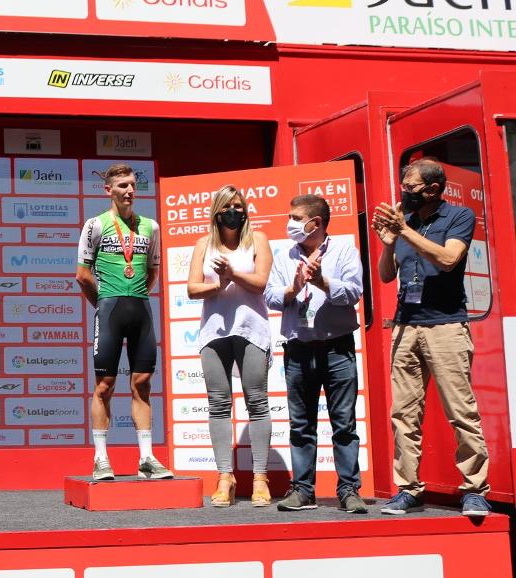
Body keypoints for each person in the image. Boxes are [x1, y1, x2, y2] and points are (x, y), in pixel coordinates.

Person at [373, 158, 490, 517]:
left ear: (433, 189)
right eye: (403, 186)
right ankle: (409, 489)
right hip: (406, 326)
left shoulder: (458, 216)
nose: (403, 192)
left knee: (461, 411)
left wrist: (404, 232)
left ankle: (475, 489)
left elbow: (449, 259)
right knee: (404, 414)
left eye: (410, 187)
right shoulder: (404, 223)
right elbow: (386, 276)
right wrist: (390, 243)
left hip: (446, 327)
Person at [263, 194, 366, 514]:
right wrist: (293, 288)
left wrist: (321, 281)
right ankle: (303, 490)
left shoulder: (345, 251)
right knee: (301, 424)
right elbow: (270, 297)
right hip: (298, 350)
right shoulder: (284, 257)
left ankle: (349, 489)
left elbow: (354, 293)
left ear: (316, 223)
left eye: (296, 218)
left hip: (337, 349)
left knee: (344, 424)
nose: (289, 223)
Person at [75, 162, 172, 481]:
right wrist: (103, 303)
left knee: (142, 383)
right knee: (105, 385)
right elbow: (83, 275)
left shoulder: (151, 227)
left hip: (141, 310)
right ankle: (101, 458)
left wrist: (136, 293)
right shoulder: (95, 225)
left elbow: (153, 272)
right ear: (109, 191)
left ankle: (146, 458)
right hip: (110, 309)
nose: (130, 190)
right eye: (123, 186)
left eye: (133, 184)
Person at [187, 185, 273, 507]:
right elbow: (193, 289)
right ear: (217, 211)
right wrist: (218, 284)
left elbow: (262, 282)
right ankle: (225, 476)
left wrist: (233, 273)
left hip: (251, 330)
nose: (235, 211)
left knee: (257, 402)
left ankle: (260, 478)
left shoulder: (258, 240)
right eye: (229, 206)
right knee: (219, 403)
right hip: (214, 332)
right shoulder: (203, 245)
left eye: (239, 206)